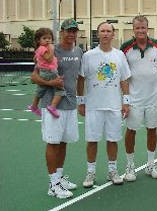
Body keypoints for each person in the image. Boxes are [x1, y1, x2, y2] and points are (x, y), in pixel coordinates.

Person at [31, 18, 82, 199]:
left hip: (70, 105)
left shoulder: (79, 51)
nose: (71, 34)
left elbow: (79, 78)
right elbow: (34, 77)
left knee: (63, 142)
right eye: (68, 30)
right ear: (61, 32)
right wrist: (50, 82)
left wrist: (81, 100)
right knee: (53, 143)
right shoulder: (51, 50)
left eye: (74, 31)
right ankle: (53, 184)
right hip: (52, 104)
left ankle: (59, 178)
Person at [78, 22, 131, 188]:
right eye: (103, 31)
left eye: (109, 31)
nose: (106, 34)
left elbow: (124, 80)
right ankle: (91, 173)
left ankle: (112, 171)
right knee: (92, 141)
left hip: (114, 106)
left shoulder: (120, 55)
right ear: (98, 34)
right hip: (93, 106)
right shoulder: (88, 56)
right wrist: (81, 102)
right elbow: (81, 79)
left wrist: (126, 102)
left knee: (112, 140)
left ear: (113, 34)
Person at [120, 15, 157, 182]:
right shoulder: (125, 48)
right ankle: (130, 166)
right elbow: (122, 75)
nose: (140, 30)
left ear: (147, 28)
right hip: (134, 99)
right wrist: (125, 99)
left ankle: (151, 164)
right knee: (131, 131)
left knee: (152, 129)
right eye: (137, 28)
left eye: (143, 27)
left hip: (154, 98)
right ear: (133, 29)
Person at [28, 28, 64, 118]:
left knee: (41, 89)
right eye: (44, 38)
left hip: (44, 72)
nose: (48, 40)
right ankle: (52, 107)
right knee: (60, 89)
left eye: (49, 38)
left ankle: (34, 106)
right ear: (38, 40)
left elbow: (35, 59)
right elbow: (48, 58)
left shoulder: (39, 49)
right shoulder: (43, 48)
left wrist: (39, 63)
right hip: (49, 71)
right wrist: (52, 49)